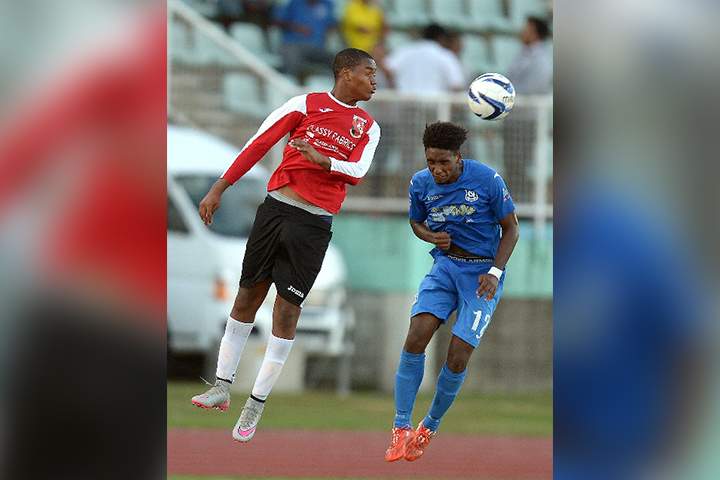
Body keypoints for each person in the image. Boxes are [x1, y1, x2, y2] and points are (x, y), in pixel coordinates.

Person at [190, 48, 379, 443]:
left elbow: (358, 172)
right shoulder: (304, 104)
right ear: (345, 73)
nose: (374, 80)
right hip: (276, 209)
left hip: (314, 224)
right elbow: (259, 143)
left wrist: (324, 161)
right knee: (246, 298)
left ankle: (255, 404)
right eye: (368, 72)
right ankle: (222, 387)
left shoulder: (368, 126)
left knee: (287, 311)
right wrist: (219, 187)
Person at [384, 122, 519, 462]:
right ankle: (401, 427)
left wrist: (494, 271)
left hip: (482, 274)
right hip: (445, 267)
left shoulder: (488, 180)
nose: (437, 169)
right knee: (416, 335)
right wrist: (430, 237)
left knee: (458, 355)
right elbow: (417, 222)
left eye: (443, 162)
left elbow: (512, 229)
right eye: (431, 161)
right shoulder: (420, 183)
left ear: (458, 157)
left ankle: (428, 427)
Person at [383, 23, 464, 94]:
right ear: (441, 38)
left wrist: (394, 87)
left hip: (406, 101)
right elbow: (456, 85)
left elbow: (387, 68)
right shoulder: (445, 55)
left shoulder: (405, 51)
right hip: (435, 104)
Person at [273, 0, 337, 83]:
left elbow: (332, 23)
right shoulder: (293, 3)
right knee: (292, 62)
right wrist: (296, 27)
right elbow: (277, 21)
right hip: (294, 43)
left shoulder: (327, 4)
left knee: (339, 61)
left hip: (317, 46)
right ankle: (296, 86)